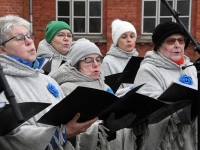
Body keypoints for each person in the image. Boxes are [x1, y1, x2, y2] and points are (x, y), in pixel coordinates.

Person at [0, 14, 97, 150]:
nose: (29, 41)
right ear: (2, 49)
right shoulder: (3, 83)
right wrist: (61, 134)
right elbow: (11, 136)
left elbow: (69, 122)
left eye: (29, 36)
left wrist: (104, 127)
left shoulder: (47, 80)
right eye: (19, 38)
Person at [51, 38, 143, 150]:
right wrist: (106, 128)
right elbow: (71, 132)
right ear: (76, 63)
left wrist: (134, 132)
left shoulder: (105, 86)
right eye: (88, 60)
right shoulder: (67, 89)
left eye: (98, 59)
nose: (95, 64)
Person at [134, 21, 197, 150]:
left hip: (190, 140)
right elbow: (150, 111)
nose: (177, 45)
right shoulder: (148, 70)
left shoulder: (190, 67)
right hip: (165, 143)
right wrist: (190, 108)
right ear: (158, 46)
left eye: (181, 40)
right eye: (171, 41)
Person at [101, 19, 139, 96]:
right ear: (116, 41)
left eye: (132, 36)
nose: (129, 40)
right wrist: (130, 89)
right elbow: (108, 91)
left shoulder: (138, 59)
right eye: (124, 37)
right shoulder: (108, 62)